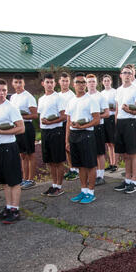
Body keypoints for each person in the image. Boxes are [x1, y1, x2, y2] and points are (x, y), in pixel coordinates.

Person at [0, 78, 25, 224]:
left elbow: (21, 128)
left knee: (13, 181)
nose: (1, 93)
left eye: (4, 90)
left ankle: (15, 210)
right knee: (3, 180)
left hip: (8, 148)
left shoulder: (11, 107)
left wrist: (2, 133)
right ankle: (8, 208)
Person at [65, 73, 100, 204]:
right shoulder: (71, 101)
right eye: (78, 82)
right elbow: (68, 122)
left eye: (83, 82)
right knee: (80, 166)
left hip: (86, 135)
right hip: (74, 136)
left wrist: (83, 126)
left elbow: (97, 120)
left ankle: (91, 192)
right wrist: (67, 140)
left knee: (90, 165)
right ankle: (83, 190)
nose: (81, 85)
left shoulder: (91, 100)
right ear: (73, 85)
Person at [113, 66, 136, 194]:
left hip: (131, 123)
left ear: (132, 75)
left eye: (129, 73)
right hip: (120, 123)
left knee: (133, 153)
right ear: (120, 75)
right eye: (124, 73)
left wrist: (129, 111)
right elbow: (116, 110)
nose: (127, 75)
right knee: (125, 154)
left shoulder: (135, 90)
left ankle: (134, 181)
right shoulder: (118, 90)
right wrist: (116, 124)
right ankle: (127, 180)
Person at [37, 73, 67, 197]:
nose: (49, 84)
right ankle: (53, 184)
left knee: (57, 161)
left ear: (55, 84)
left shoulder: (58, 98)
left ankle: (59, 186)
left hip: (56, 131)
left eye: (51, 82)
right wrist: (45, 123)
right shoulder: (41, 99)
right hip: (45, 132)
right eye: (47, 82)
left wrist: (50, 122)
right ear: (43, 83)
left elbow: (64, 116)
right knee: (49, 161)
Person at [9, 74, 38, 190]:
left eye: (20, 82)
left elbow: (35, 115)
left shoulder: (28, 97)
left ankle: (31, 179)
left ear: (24, 83)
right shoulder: (13, 97)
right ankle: (24, 178)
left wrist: (20, 116)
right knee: (22, 154)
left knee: (30, 153)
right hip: (17, 128)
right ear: (12, 83)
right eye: (16, 82)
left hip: (27, 127)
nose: (18, 85)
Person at [86, 74, 109, 186]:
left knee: (100, 152)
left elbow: (107, 113)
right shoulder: (84, 97)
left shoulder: (101, 97)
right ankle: (93, 174)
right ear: (86, 83)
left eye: (93, 81)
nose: (91, 83)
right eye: (89, 81)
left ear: (96, 83)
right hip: (87, 128)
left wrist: (96, 117)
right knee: (90, 152)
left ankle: (101, 175)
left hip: (98, 127)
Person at [59, 73, 78, 181]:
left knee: (71, 147)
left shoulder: (72, 95)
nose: (65, 83)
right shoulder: (58, 95)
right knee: (66, 148)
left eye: (67, 81)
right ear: (59, 82)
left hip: (69, 123)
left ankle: (76, 169)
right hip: (60, 124)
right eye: (63, 80)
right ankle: (71, 168)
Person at [101, 74, 118, 173]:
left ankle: (115, 164)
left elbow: (117, 106)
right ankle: (111, 163)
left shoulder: (114, 92)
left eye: (108, 80)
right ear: (102, 82)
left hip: (112, 117)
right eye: (105, 81)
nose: (106, 82)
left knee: (113, 142)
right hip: (104, 119)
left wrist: (113, 109)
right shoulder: (101, 93)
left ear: (111, 81)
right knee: (108, 143)